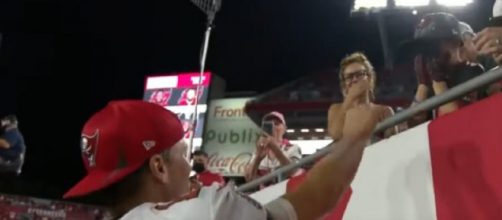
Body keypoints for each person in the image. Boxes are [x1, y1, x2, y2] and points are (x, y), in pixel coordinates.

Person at [64, 100, 380, 220]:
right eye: (183, 156)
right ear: (159, 167)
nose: (191, 167)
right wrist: (355, 137)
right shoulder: (205, 211)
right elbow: (312, 201)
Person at [403, 13, 486, 124]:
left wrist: (438, 82)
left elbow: (458, 123)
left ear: (455, 42)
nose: (430, 53)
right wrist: (422, 85)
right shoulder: (430, 80)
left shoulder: (472, 71)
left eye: (434, 45)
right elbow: (414, 123)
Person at [327, 52, 397, 141]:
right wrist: (350, 98)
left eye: (359, 74)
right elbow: (336, 135)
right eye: (349, 77)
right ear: (344, 83)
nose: (355, 79)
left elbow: (393, 146)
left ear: (369, 78)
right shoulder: (335, 110)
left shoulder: (384, 111)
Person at [244, 111, 302, 188]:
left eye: (277, 124)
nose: (273, 127)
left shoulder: (293, 148)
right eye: (268, 124)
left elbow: (294, 171)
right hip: (264, 198)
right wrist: (258, 157)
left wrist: (274, 147)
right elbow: (249, 180)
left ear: (285, 128)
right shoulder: (259, 150)